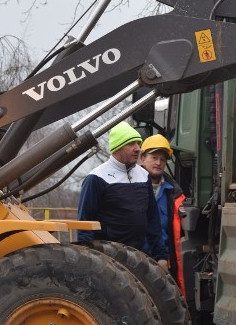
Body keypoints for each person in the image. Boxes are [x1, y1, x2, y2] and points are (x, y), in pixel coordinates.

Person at [77, 121, 169, 266]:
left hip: (141, 256)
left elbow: (153, 219)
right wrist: (88, 261)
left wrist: (161, 255)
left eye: (138, 144)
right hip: (108, 260)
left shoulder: (143, 175)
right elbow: (84, 223)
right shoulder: (96, 178)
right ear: (117, 147)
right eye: (131, 144)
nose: (138, 149)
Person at [140, 134, 188, 297]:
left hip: (164, 264)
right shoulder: (129, 187)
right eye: (154, 157)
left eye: (162, 159)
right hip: (137, 261)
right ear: (142, 158)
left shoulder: (174, 194)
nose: (158, 163)